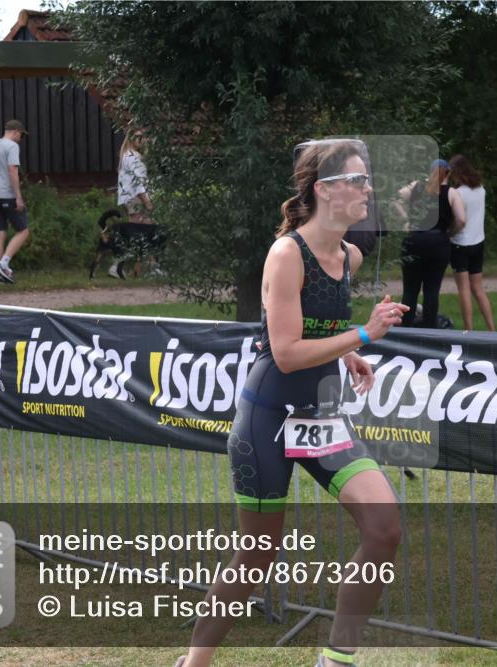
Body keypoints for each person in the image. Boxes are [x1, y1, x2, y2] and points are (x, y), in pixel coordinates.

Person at [176, 140, 408, 667]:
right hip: (267, 421)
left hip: (321, 418)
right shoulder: (286, 253)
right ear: (324, 190)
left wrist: (347, 352)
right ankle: (193, 664)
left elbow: (317, 328)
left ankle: (336, 660)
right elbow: (284, 352)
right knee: (255, 558)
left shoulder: (348, 254)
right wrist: (363, 337)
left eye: (367, 179)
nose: (367, 189)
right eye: (357, 180)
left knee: (384, 528)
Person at [394, 158, 465, 328]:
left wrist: (405, 221)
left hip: (414, 240)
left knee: (410, 290)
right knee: (432, 290)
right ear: (448, 173)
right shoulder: (452, 193)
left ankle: (406, 330)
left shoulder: (416, 186)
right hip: (438, 243)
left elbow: (395, 198)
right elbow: (461, 220)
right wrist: (449, 233)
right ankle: (429, 330)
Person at [448, 155, 495, 331]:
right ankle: (492, 329)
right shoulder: (481, 190)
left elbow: (460, 220)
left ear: (458, 173)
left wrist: (449, 233)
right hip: (478, 242)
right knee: (478, 288)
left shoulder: (458, 193)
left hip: (460, 244)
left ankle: (469, 329)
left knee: (464, 289)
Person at [0, 119, 29, 283]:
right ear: (16, 131)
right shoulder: (12, 147)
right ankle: (4, 263)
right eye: (21, 135)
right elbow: (12, 170)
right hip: (7, 195)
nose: (20, 139)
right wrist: (18, 196)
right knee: (23, 231)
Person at [110, 131, 158, 278]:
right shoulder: (133, 157)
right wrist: (147, 202)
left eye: (143, 137)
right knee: (143, 232)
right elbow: (139, 183)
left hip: (130, 199)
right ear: (130, 139)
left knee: (142, 232)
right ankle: (150, 267)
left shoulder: (126, 155)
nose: (142, 140)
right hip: (136, 199)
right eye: (138, 137)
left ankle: (143, 268)